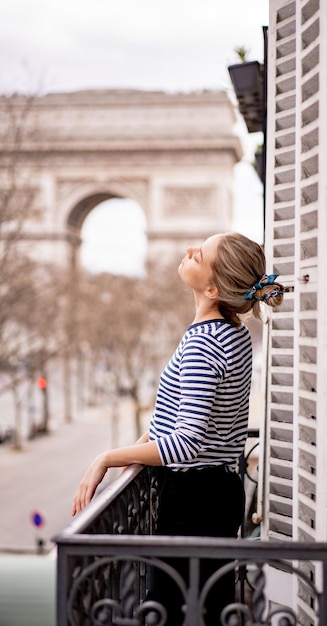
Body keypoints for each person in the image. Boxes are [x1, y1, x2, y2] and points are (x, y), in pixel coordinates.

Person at [71, 232, 284, 625]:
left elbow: (187, 442)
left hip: (193, 500)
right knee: (204, 607)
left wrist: (107, 457)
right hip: (219, 492)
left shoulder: (204, 344)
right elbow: (196, 417)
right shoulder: (234, 334)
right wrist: (148, 439)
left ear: (213, 287)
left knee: (169, 610)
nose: (188, 250)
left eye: (199, 254)